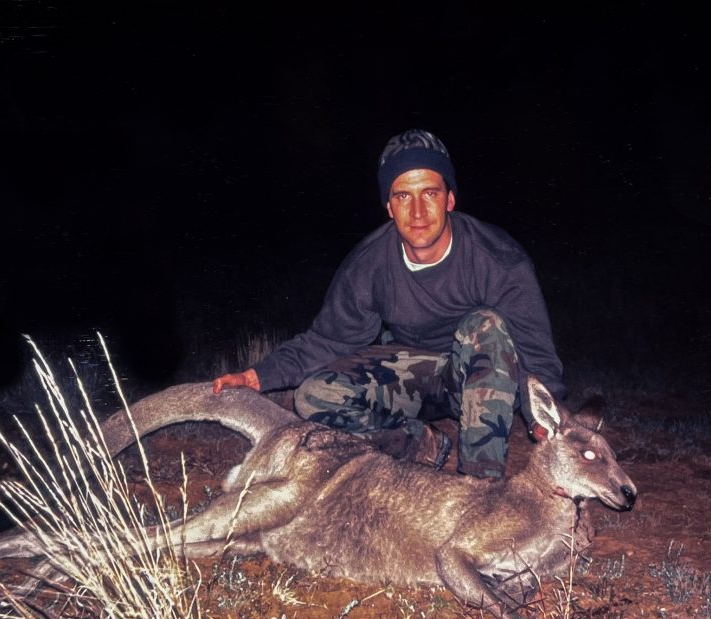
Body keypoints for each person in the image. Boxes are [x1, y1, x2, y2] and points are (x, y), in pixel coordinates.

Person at [213, 128, 566, 480]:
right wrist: (255, 376)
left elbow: (536, 354)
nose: (417, 211)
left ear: (450, 199)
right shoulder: (369, 263)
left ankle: (478, 483)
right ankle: (420, 445)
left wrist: (542, 420)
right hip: (412, 378)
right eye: (402, 196)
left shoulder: (499, 260)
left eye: (429, 193)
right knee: (313, 396)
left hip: (482, 382)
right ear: (388, 207)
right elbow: (327, 340)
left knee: (486, 324)